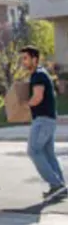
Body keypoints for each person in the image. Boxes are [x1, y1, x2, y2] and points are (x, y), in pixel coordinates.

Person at [20, 45, 67, 201]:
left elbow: (38, 97)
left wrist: (24, 105)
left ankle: (56, 185)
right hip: (49, 119)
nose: (23, 61)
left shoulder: (38, 75)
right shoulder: (40, 74)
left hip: (43, 120)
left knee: (33, 151)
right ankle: (61, 187)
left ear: (35, 58)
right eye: (23, 58)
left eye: (26, 58)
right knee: (48, 154)